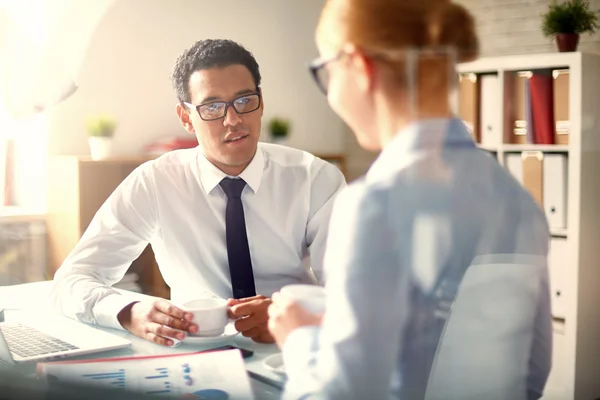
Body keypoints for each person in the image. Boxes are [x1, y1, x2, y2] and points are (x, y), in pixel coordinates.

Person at [268, 0, 552, 399]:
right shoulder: (520, 203)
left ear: (358, 66)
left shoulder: (374, 205)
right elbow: (531, 373)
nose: (330, 95)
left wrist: (299, 339)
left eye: (326, 74)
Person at [51, 39, 346, 346]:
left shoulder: (315, 178)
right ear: (186, 117)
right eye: (213, 107)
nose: (233, 120)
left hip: (295, 345)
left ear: (261, 100)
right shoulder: (155, 182)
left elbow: (354, 289)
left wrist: (299, 313)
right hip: (196, 350)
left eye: (244, 101)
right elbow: (71, 281)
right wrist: (128, 311)